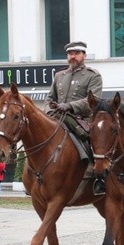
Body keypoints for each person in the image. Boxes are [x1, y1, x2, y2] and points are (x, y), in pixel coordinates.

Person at [43, 41, 104, 194]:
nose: (73, 57)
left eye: (76, 53)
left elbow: (93, 100)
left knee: (95, 143)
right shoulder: (59, 75)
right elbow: (50, 98)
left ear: (84, 55)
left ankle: (99, 177)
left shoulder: (92, 75)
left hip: (81, 119)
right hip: (58, 117)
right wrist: (48, 111)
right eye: (70, 54)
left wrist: (69, 106)